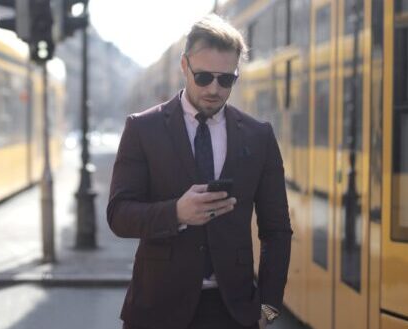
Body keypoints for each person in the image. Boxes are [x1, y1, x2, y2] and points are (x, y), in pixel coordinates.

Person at [107, 14, 292, 329]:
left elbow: (276, 230)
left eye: (226, 79)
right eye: (204, 77)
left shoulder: (258, 135)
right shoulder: (142, 128)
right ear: (184, 66)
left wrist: (269, 309)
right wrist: (176, 213)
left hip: (233, 313)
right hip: (156, 311)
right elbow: (119, 215)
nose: (214, 89)